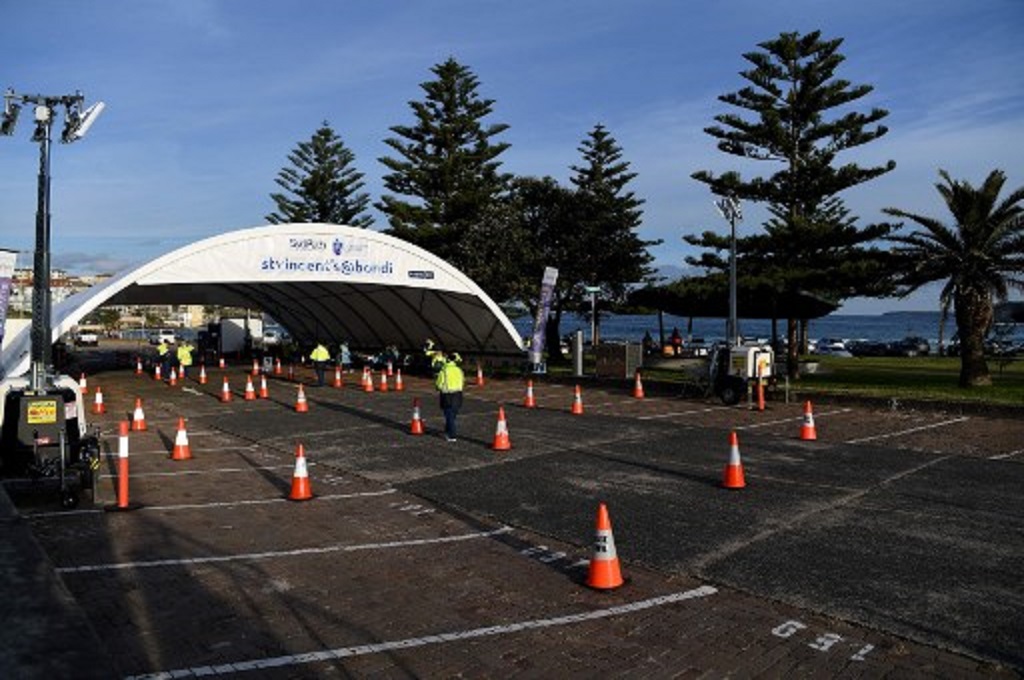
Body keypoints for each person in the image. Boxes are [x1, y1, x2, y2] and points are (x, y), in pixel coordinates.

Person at [425, 340, 464, 441]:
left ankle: (452, 435)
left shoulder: (444, 371)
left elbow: (439, 384)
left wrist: (438, 387)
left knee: (449, 416)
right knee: (453, 415)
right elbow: (462, 381)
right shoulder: (459, 370)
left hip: (447, 395)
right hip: (458, 395)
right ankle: (447, 431)